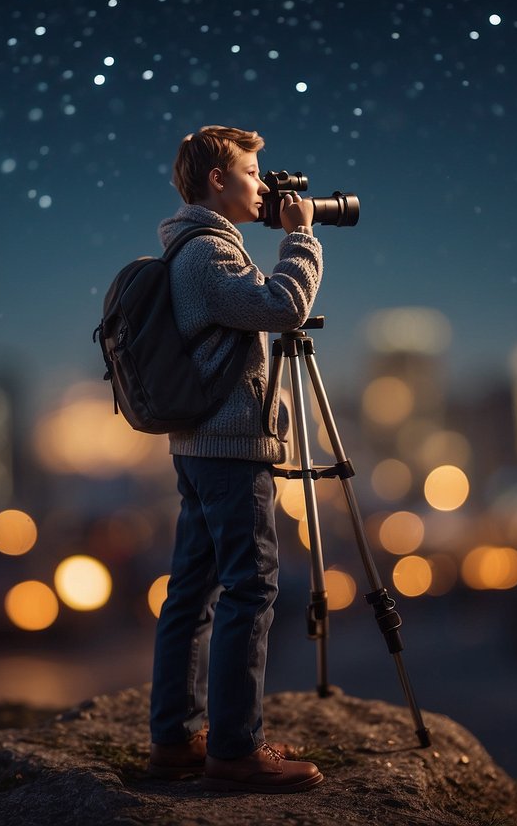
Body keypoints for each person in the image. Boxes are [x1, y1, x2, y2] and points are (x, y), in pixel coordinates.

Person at [147, 125, 324, 793]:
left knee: (190, 594)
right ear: (217, 181)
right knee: (248, 591)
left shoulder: (192, 251)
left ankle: (175, 738)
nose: (263, 185)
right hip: (227, 449)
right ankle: (233, 750)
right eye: (253, 173)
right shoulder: (208, 257)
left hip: (201, 448)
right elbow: (282, 306)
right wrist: (300, 237)